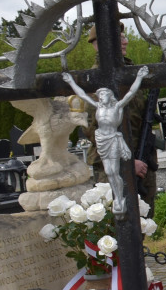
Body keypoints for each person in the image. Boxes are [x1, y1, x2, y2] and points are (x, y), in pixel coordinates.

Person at [84, 23, 158, 215]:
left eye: (124, 37)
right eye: (119, 37)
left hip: (141, 158)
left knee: (144, 220)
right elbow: (95, 129)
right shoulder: (96, 80)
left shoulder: (128, 72)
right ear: (100, 43)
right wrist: (127, 162)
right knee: (120, 225)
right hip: (116, 164)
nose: (125, 41)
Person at [63, 65, 149, 215]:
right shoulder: (97, 106)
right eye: (100, 95)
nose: (101, 97)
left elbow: (130, 93)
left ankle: (120, 199)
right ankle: (117, 197)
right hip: (101, 138)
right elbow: (82, 95)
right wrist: (70, 81)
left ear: (110, 96)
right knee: (109, 172)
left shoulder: (117, 107)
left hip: (113, 138)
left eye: (104, 95)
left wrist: (140, 77)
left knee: (114, 171)